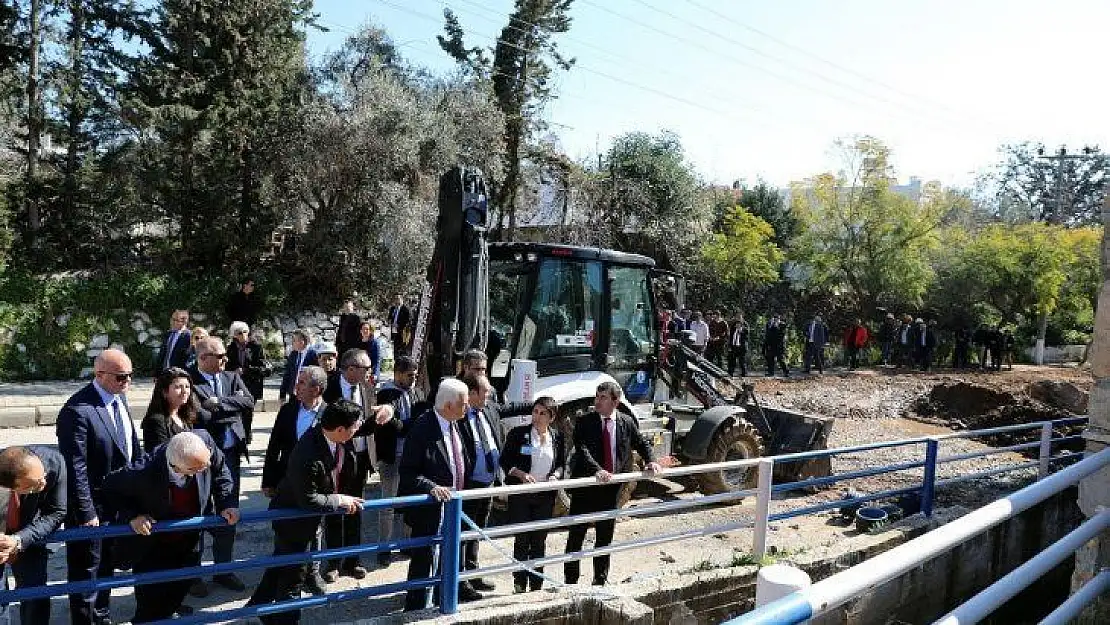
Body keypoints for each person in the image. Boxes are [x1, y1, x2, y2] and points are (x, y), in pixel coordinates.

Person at [247, 401, 367, 625]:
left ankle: (253, 610)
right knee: (293, 579)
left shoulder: (331, 436)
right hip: (293, 521)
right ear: (340, 429)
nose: (357, 429)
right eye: (354, 426)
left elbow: (362, 428)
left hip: (306, 519)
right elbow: (308, 500)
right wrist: (339, 500)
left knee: (279, 568)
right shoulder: (309, 452)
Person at [103, 431, 238, 623]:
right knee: (150, 606)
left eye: (205, 463)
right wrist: (133, 516)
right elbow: (109, 487)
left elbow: (219, 467)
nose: (205, 469)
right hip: (154, 546)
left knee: (178, 592)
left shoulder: (203, 443)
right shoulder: (143, 471)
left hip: (189, 540)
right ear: (176, 467)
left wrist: (227, 502)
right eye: (195, 469)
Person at [56, 348, 142, 625]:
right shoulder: (77, 410)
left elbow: (130, 448)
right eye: (120, 377)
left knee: (106, 570)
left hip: (117, 503)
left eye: (130, 376)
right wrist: (86, 513)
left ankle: (101, 619)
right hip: (91, 509)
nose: (126, 382)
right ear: (100, 374)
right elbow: (75, 467)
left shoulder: (120, 398)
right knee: (86, 573)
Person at [564, 382, 660, 586]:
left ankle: (600, 580)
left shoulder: (626, 422)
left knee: (604, 537)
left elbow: (641, 443)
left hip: (612, 490)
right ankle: (570, 581)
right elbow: (582, 449)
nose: (597, 401)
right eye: (597, 396)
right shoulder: (584, 422)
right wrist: (597, 470)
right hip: (585, 489)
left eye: (603, 398)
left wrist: (651, 460)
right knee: (576, 536)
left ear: (615, 401)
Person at [321, 348, 395, 581]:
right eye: (366, 368)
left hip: (361, 459)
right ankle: (332, 563)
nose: (370, 372)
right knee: (334, 509)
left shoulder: (368, 387)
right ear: (351, 368)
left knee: (355, 509)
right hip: (336, 457)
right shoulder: (329, 387)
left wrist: (387, 411)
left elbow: (376, 416)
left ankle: (353, 560)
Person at [399, 379, 473, 611]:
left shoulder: (456, 424)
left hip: (454, 508)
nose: (468, 407)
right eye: (464, 403)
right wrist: (432, 487)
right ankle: (417, 608)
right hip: (431, 510)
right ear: (449, 406)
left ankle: (444, 604)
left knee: (448, 560)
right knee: (425, 560)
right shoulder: (422, 429)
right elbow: (409, 472)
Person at [188, 337, 254, 595]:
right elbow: (201, 415)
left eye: (226, 355)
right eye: (221, 356)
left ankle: (222, 569)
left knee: (229, 511)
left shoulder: (231, 377)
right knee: (199, 514)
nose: (226, 360)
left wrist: (219, 403)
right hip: (201, 460)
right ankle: (194, 575)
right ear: (203, 358)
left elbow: (248, 402)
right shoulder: (190, 380)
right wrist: (228, 405)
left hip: (230, 455)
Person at [262, 365, 330, 595]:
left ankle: (313, 572)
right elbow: (274, 447)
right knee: (285, 525)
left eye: (301, 383)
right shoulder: (289, 410)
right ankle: (282, 570)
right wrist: (268, 481)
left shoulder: (328, 414)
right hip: (286, 483)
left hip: (315, 485)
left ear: (317, 389)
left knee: (315, 529)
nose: (296, 387)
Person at [499, 397, 566, 593]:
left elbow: (561, 464)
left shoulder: (558, 437)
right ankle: (519, 582)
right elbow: (505, 461)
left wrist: (556, 475)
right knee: (522, 540)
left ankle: (537, 583)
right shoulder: (518, 434)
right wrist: (520, 474)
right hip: (521, 495)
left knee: (539, 541)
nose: (537, 416)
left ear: (551, 417)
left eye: (542, 413)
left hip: (545, 496)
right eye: (535, 411)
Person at [0, 445, 66, 625]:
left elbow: (57, 512)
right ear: (13, 487)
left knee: (35, 597)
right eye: (33, 485)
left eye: (42, 477)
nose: (43, 483)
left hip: (30, 536)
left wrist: (19, 539)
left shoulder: (54, 463)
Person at [458, 374, 503, 593]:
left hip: (488, 484)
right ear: (472, 393)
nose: (490, 394)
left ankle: (473, 572)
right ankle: (459, 580)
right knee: (462, 534)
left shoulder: (489, 410)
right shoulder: (459, 416)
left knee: (477, 531)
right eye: (486, 391)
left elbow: (514, 407)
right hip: (469, 486)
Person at [374, 355, 419, 567]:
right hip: (392, 456)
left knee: (410, 502)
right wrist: (412, 425)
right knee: (388, 504)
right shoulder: (386, 394)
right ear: (398, 374)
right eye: (409, 375)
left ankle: (408, 544)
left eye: (415, 375)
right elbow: (395, 425)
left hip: (411, 456)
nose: (413, 379)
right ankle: (384, 548)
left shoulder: (415, 392)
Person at [141, 367, 199, 453]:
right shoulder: (156, 421)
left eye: (187, 387)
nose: (184, 391)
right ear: (164, 392)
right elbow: (161, 455)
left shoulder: (185, 416)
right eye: (178, 387)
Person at [227, 321, 270, 406]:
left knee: (249, 413)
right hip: (236, 385)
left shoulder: (256, 347)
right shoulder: (231, 348)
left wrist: (245, 370)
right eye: (239, 333)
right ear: (235, 335)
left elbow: (263, 368)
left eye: (245, 331)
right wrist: (235, 370)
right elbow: (227, 366)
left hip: (252, 385)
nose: (243, 334)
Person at [279, 330, 316, 403]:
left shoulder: (313, 354)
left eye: (294, 340)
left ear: (302, 341)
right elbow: (287, 374)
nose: (292, 343)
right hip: (294, 394)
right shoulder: (294, 354)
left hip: (307, 394)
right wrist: (282, 394)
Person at [155, 309, 192, 375]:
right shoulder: (168, 334)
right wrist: (157, 373)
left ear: (184, 322)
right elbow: (162, 355)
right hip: (164, 373)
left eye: (175, 320)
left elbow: (188, 359)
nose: (172, 322)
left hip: (178, 375)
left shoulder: (188, 337)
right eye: (172, 319)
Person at [728, 313, 749, 377]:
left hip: (741, 347)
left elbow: (746, 337)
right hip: (734, 347)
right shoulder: (733, 329)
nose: (737, 325)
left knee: (742, 361)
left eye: (739, 324)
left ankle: (744, 373)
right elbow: (731, 338)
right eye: (737, 324)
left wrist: (740, 331)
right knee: (732, 361)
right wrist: (730, 346)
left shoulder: (745, 329)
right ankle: (730, 373)